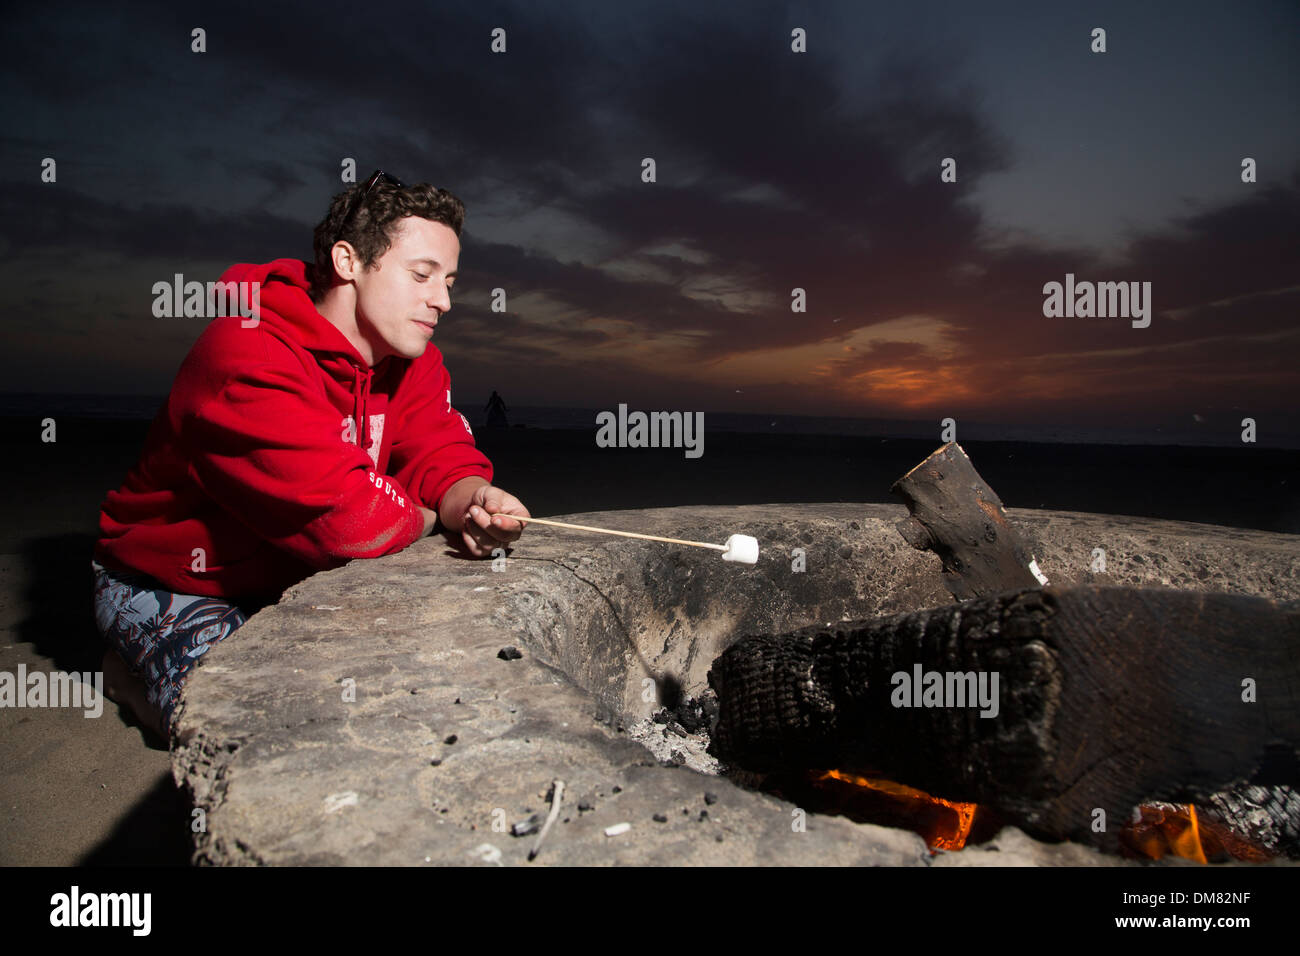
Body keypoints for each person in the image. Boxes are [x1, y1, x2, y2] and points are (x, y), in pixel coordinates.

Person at [92, 170, 530, 742]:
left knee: (427, 688)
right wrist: (427, 515)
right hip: (175, 580)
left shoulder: (413, 356)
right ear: (348, 262)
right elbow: (349, 525)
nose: (443, 300)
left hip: (293, 576)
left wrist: (472, 499)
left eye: (449, 280)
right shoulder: (248, 352)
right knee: (260, 732)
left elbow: (438, 451)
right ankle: (130, 677)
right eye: (422, 275)